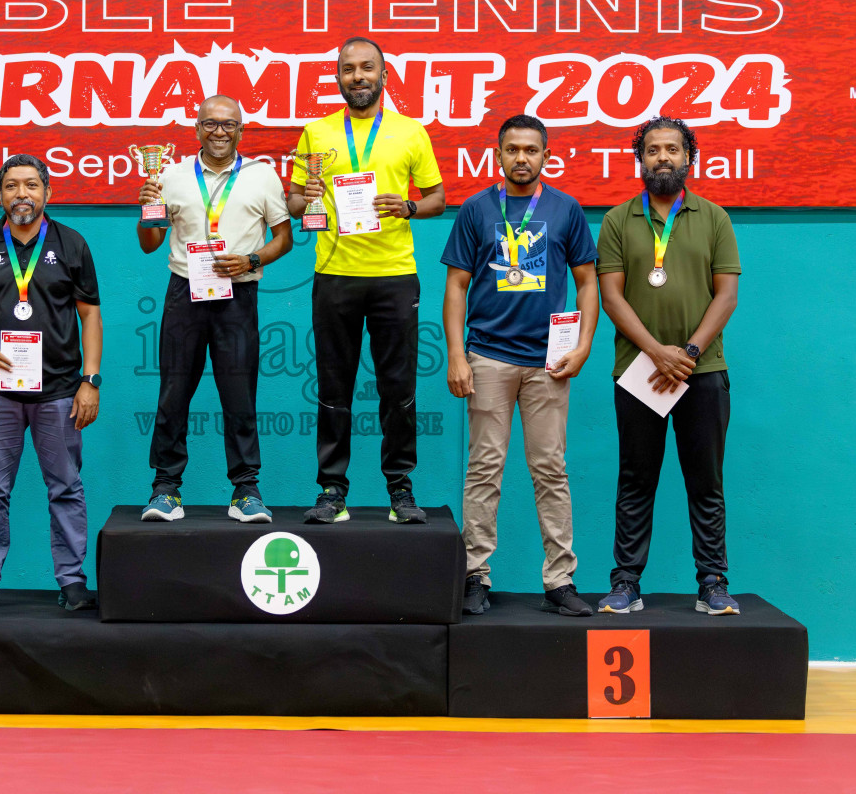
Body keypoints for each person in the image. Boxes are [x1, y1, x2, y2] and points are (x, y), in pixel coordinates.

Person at [441, 115, 599, 616]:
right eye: (513, 150)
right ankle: (475, 575)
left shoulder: (565, 210)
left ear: (545, 156)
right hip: (487, 356)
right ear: (499, 155)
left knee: (550, 469)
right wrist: (456, 354)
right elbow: (456, 287)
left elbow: (589, 283)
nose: (522, 158)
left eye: (531, 150)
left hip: (548, 364)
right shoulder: (475, 210)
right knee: (484, 469)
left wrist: (585, 345)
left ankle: (560, 580)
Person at [287, 37, 445, 524]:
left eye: (367, 68)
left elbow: (438, 197)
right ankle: (332, 490)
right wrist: (306, 195)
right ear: (337, 76)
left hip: (395, 276)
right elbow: (294, 204)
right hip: (334, 275)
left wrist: (410, 206)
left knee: (398, 388)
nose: (358, 76)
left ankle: (400, 489)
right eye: (348, 69)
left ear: (384, 74)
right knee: (334, 386)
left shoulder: (411, 132)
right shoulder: (315, 133)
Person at [595, 116, 742, 615]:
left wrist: (690, 353)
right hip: (639, 373)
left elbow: (726, 296)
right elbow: (612, 297)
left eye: (672, 150)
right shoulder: (618, 220)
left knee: (706, 481)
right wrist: (658, 352)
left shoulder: (714, 217)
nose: (662, 158)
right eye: (653, 149)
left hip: (702, 372)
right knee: (636, 479)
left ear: (688, 158)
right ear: (641, 159)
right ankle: (625, 582)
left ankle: (713, 583)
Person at [0, 154, 103, 611]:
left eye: (31, 185)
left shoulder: (72, 244)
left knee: (66, 488)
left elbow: (90, 314)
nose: (22, 194)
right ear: (0, 195)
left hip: (58, 391)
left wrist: (90, 380)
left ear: (47, 193)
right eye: (12, 186)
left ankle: (72, 580)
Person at [135, 95, 293, 523]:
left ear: (241, 129)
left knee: (239, 394)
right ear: (197, 128)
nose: (219, 132)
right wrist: (147, 210)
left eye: (228, 124)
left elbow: (284, 238)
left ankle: (245, 491)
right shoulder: (170, 175)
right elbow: (149, 244)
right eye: (210, 124)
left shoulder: (262, 177)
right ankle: (165, 489)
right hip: (184, 291)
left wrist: (252, 260)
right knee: (173, 391)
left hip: (237, 293)